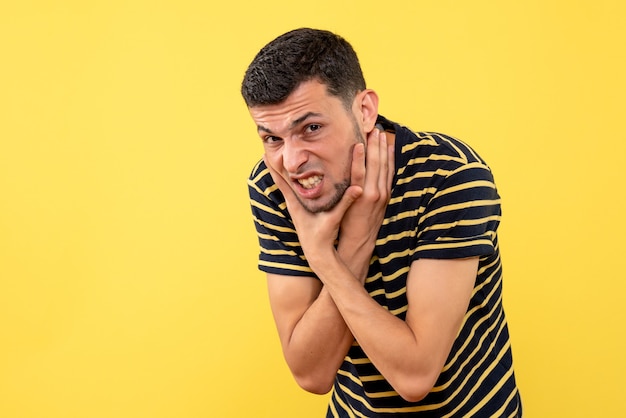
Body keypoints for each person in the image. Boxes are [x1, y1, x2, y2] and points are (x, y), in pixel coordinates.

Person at [241, 28, 522, 417]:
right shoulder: (276, 188)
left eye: (311, 128)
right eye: (272, 138)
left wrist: (325, 259)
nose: (291, 162)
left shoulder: (448, 176)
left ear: (365, 111)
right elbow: (312, 374)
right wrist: (353, 247)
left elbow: (415, 377)